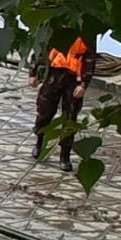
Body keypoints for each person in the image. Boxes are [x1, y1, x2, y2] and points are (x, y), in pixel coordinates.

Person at [31, 31, 97, 169]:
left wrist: (84, 84)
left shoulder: (87, 31)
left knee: (70, 117)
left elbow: (90, 58)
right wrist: (34, 72)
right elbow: (40, 49)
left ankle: (64, 155)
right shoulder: (54, 26)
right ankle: (39, 143)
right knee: (45, 111)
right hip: (53, 74)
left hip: (73, 79)